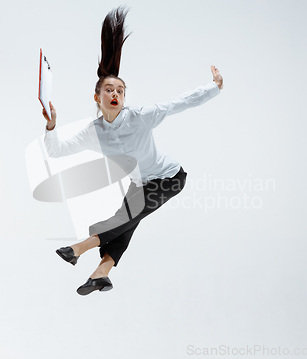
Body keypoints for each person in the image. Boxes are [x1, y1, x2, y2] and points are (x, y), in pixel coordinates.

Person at [42, 6, 224, 295]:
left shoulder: (140, 116)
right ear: (97, 96)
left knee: (123, 218)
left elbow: (178, 103)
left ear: (124, 96)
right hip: (140, 183)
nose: (115, 94)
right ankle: (101, 273)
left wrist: (214, 88)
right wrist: (51, 127)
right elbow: (57, 152)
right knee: (125, 223)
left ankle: (78, 248)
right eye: (109, 90)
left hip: (169, 177)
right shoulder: (94, 132)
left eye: (120, 91)